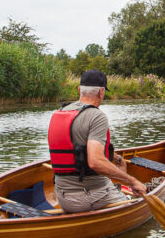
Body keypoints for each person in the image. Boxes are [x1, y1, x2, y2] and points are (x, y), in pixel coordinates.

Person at [48, 69, 147, 212]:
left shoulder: (61, 112)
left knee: (109, 182)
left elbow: (78, 150)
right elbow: (95, 161)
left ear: (79, 90)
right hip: (89, 196)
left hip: (63, 198)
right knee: (132, 202)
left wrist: (117, 158)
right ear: (101, 92)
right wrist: (132, 181)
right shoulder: (96, 116)